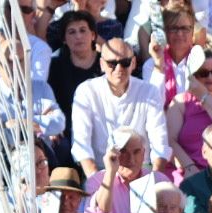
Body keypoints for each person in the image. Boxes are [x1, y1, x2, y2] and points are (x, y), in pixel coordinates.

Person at [71, 38, 172, 177]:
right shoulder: (85, 91)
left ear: (133, 63)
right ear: (102, 64)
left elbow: (160, 144)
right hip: (101, 170)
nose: (119, 69)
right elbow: (81, 146)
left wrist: (154, 181)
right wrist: (97, 183)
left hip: (142, 170)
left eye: (125, 63)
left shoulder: (149, 91)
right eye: (112, 63)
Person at [85, 127, 173, 213]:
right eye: (123, 152)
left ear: (143, 154)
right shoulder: (97, 181)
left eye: (136, 152)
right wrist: (110, 172)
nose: (131, 159)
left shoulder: (159, 180)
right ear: (112, 155)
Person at [46, 10, 100, 123]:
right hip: (67, 130)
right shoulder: (54, 68)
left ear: (93, 35)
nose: (78, 36)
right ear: (64, 39)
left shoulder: (108, 64)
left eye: (83, 30)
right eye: (72, 32)